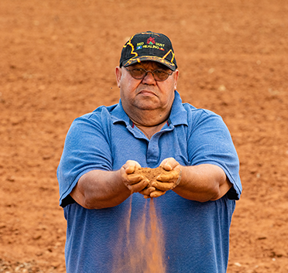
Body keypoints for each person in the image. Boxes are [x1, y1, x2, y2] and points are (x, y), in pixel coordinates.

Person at [57, 31, 242, 272]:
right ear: (118, 76)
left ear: (175, 78)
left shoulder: (205, 124)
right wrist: (122, 180)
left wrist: (180, 177)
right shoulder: (90, 127)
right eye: (137, 70)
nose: (148, 79)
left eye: (160, 72)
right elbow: (86, 191)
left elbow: (216, 183)